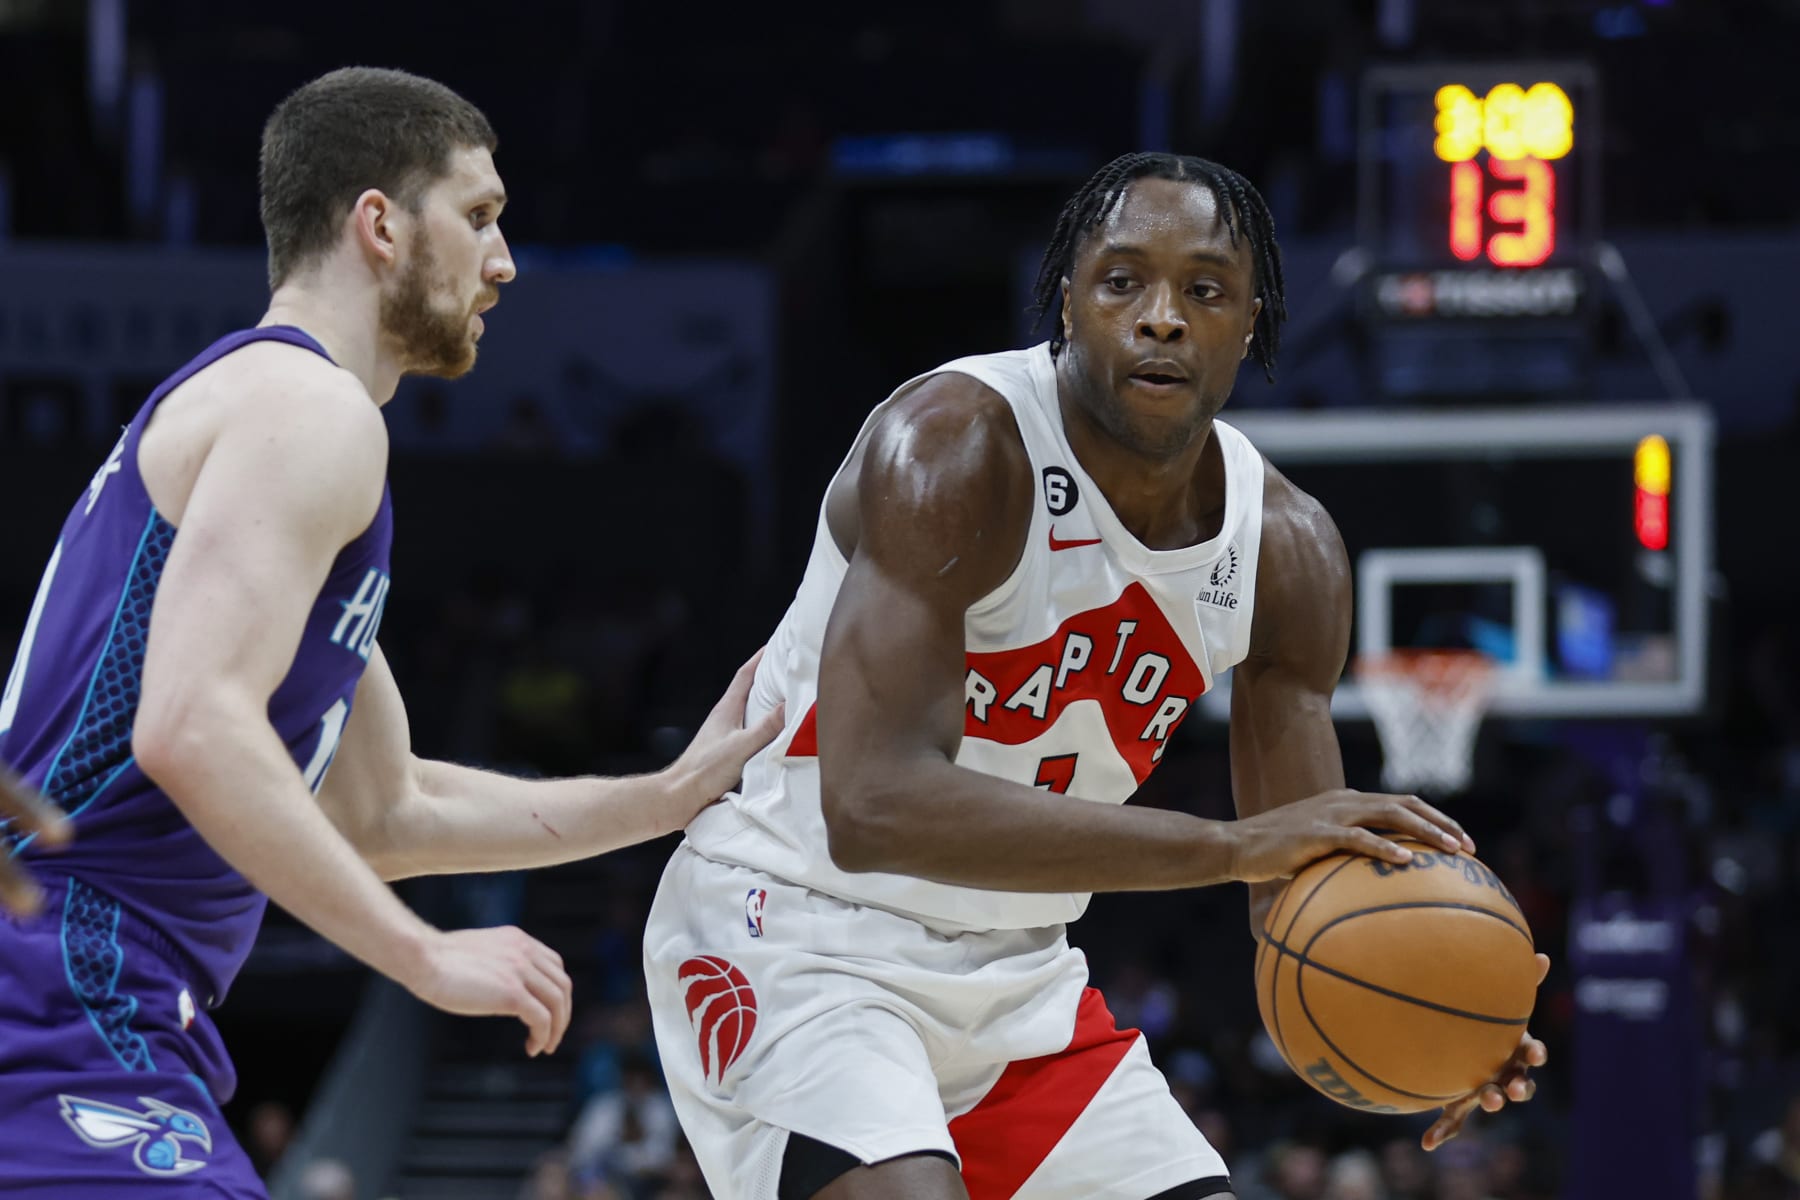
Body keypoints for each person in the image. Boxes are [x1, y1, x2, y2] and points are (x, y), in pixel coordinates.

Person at [642, 152, 1547, 1200]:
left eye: (1204, 290)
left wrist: (1441, 1011)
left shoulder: (1286, 550)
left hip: (1016, 977)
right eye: (1122, 282)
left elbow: (1295, 884)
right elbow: (871, 804)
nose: (1161, 317)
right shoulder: (954, 447)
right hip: (793, 927)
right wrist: (1226, 846)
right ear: (1067, 303)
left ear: (1251, 323)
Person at [0, 67, 779, 1197]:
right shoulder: (308, 411)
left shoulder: (283, 428)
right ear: (378, 224)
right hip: (65, 972)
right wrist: (421, 954)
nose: (503, 263)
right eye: (478, 218)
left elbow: (383, 811)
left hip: (86, 984)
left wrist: (657, 799)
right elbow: (191, 723)